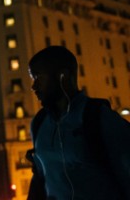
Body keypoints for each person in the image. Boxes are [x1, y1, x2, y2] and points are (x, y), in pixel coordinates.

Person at [27, 46, 130, 200]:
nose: (33, 86)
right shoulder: (39, 123)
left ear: (63, 76)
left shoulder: (100, 118)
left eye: (38, 77)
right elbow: (39, 179)